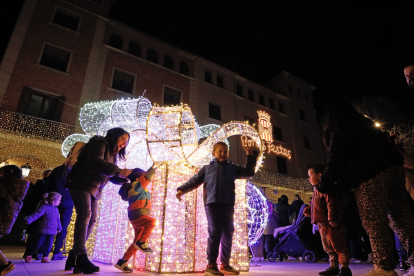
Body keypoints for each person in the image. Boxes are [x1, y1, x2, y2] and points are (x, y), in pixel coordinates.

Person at [318, 99, 414, 276]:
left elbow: (335, 160)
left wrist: (322, 186)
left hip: (370, 176)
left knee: (374, 221)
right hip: (394, 169)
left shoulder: (341, 127)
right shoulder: (365, 123)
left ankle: (384, 267)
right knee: (401, 218)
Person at [176, 141, 256, 276]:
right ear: (213, 153)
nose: (223, 154)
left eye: (225, 151)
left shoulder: (232, 168)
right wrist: (181, 190)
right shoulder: (207, 169)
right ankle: (211, 265)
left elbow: (249, 172)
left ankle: (225, 264)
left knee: (228, 233)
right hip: (211, 204)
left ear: (228, 153)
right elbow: (194, 180)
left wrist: (250, 156)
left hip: (227, 204)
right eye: (220, 151)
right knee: (215, 231)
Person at [65, 127, 133, 274]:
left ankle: (74, 255)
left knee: (92, 219)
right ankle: (81, 256)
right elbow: (96, 162)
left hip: (95, 187)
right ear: (115, 135)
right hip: (82, 182)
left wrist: (122, 178)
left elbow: (106, 173)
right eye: (123, 139)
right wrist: (118, 171)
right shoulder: (100, 143)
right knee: (85, 215)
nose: (124, 143)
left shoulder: (113, 155)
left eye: (127, 142)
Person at [304, 164, 352, 276]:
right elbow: (316, 205)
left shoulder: (328, 189)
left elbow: (332, 205)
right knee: (328, 248)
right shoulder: (317, 190)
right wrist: (309, 210)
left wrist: (332, 219)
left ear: (319, 175)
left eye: (310, 175)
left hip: (330, 224)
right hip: (322, 224)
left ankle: (345, 269)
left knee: (338, 246)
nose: (308, 178)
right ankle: (333, 266)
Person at [115, 165, 156, 273]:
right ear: (138, 179)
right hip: (137, 214)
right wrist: (153, 168)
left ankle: (122, 262)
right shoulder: (136, 186)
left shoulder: (139, 188)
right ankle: (142, 242)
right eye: (142, 177)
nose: (145, 179)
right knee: (152, 222)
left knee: (135, 242)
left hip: (138, 214)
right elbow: (147, 177)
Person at [0, 165, 30, 276]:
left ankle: (5, 264)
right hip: (7, 222)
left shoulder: (3, 186)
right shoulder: (19, 189)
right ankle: (4, 265)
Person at [44, 164, 73, 260]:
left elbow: (48, 184)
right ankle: (56, 252)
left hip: (53, 200)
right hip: (68, 200)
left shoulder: (57, 169)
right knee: (63, 226)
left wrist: (46, 196)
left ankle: (42, 252)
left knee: (47, 224)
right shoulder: (75, 170)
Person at [24, 192, 62, 263]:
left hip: (52, 231)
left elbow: (58, 220)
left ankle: (45, 257)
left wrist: (59, 228)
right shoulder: (45, 207)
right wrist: (28, 220)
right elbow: (36, 214)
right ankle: (29, 255)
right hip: (43, 230)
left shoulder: (56, 210)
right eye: (59, 200)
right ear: (54, 200)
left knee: (49, 245)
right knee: (38, 243)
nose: (60, 202)